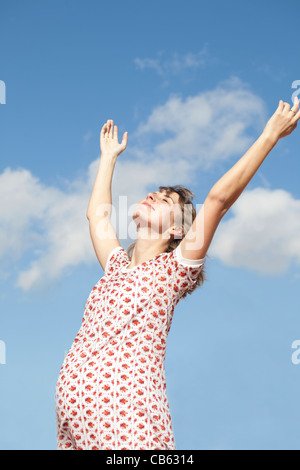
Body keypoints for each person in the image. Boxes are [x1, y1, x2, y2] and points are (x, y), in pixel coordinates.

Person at [55, 97, 300, 450]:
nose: (154, 195)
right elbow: (96, 216)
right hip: (74, 418)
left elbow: (218, 200)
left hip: (128, 415)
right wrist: (108, 158)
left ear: (178, 230)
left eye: (166, 201)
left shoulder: (172, 271)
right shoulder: (116, 268)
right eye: (155, 192)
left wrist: (270, 135)